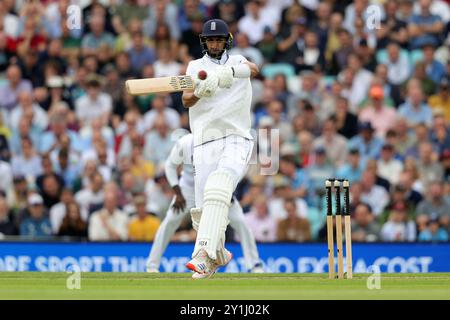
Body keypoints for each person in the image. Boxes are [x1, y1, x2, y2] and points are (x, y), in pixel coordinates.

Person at [181, 18, 259, 279]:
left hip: (236, 138)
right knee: (204, 212)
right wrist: (201, 90)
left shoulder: (238, 61)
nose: (215, 43)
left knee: (219, 186)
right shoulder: (195, 67)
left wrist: (229, 74)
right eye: (210, 39)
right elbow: (186, 99)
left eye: (219, 39)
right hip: (205, 141)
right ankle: (218, 255)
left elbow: (254, 69)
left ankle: (202, 254)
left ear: (227, 40)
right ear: (204, 42)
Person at [146, 133, 263, 273]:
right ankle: (152, 265)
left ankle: (254, 265)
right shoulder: (185, 142)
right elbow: (170, 166)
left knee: (240, 222)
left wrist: (228, 189)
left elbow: (234, 169)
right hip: (187, 191)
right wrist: (177, 192)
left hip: (216, 190)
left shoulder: (221, 142)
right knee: (169, 222)